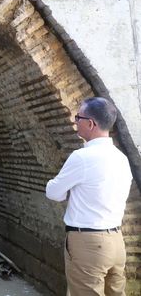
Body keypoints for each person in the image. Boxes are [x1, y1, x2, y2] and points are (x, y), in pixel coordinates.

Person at [46, 97, 132, 296]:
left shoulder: (82, 158)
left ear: (91, 124)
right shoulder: (121, 158)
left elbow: (53, 192)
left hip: (88, 242)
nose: (75, 121)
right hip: (117, 241)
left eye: (78, 117)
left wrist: (70, 191)